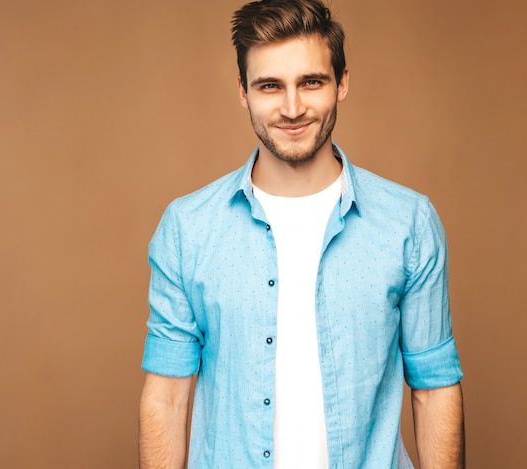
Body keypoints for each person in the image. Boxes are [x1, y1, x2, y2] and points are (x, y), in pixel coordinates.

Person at [139, 0, 465, 467]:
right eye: (270, 86)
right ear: (243, 92)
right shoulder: (188, 228)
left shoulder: (408, 222)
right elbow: (166, 397)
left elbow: (434, 391)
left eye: (311, 82)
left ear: (342, 83)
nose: (292, 108)